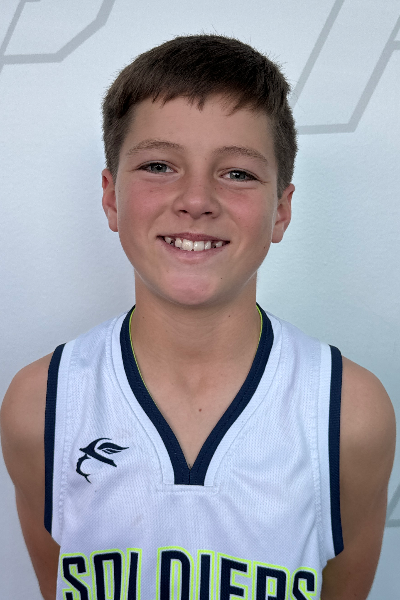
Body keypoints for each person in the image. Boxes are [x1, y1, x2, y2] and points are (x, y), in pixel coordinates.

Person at [0, 34, 396, 600]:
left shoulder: (348, 413)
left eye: (237, 174)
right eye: (159, 165)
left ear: (281, 210)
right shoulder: (40, 404)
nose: (195, 199)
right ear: (111, 197)